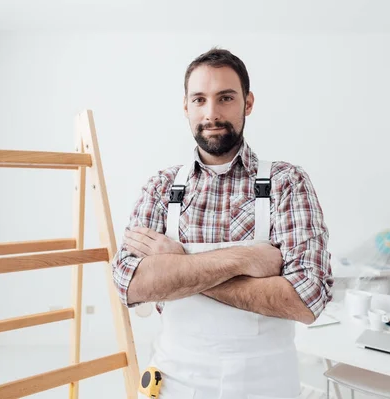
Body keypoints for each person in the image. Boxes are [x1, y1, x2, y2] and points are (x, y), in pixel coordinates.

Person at [111, 47, 333, 399]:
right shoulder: (161, 186)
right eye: (199, 99)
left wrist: (175, 266)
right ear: (186, 107)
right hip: (176, 381)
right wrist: (246, 259)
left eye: (225, 98)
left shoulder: (286, 182)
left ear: (248, 103)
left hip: (266, 384)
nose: (211, 113)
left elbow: (307, 299)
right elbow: (128, 284)